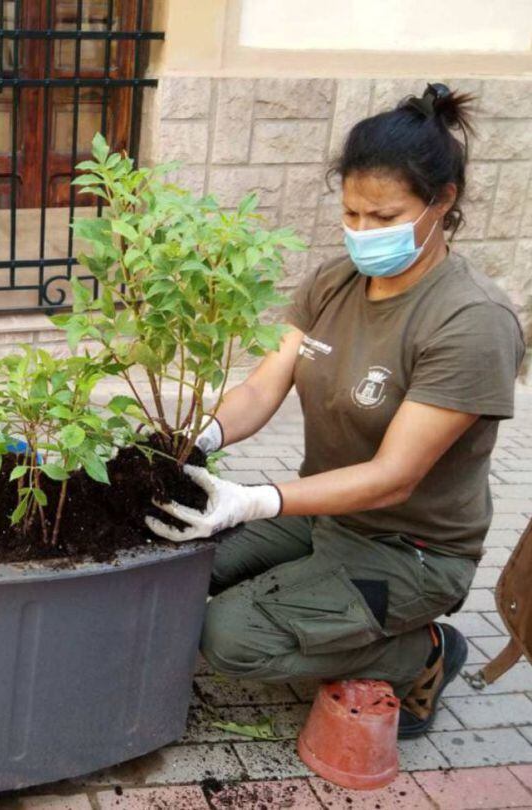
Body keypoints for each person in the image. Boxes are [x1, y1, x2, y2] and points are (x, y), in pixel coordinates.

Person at [146, 83, 526, 738]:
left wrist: (256, 499)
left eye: (383, 217)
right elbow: (264, 388)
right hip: (326, 514)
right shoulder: (333, 282)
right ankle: (327, 606)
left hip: (409, 549)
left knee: (229, 634)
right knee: (179, 559)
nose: (361, 233)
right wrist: (202, 436)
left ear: (443, 203)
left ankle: (423, 652)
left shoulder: (470, 321)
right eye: (350, 213)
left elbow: (394, 476)